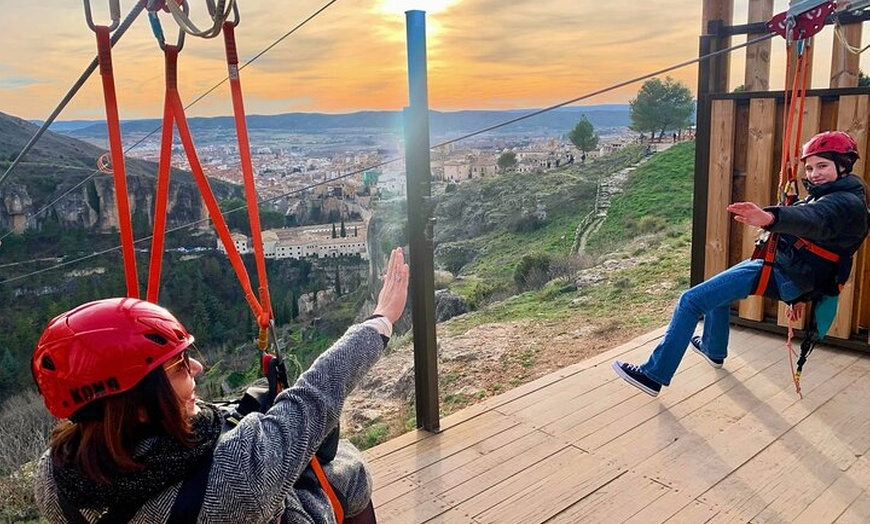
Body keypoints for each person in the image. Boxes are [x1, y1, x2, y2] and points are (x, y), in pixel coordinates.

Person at [31, 247, 410, 523]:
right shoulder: (236, 474)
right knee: (348, 469)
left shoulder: (53, 478)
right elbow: (316, 396)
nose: (196, 367)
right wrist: (380, 320)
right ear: (139, 404)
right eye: (178, 366)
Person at [612, 131, 869, 397]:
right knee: (717, 294)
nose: (814, 173)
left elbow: (811, 218)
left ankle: (653, 375)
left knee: (690, 301)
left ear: (843, 165)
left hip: (784, 274)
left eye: (822, 166)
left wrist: (769, 217)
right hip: (789, 271)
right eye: (810, 167)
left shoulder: (843, 204)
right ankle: (713, 349)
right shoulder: (836, 193)